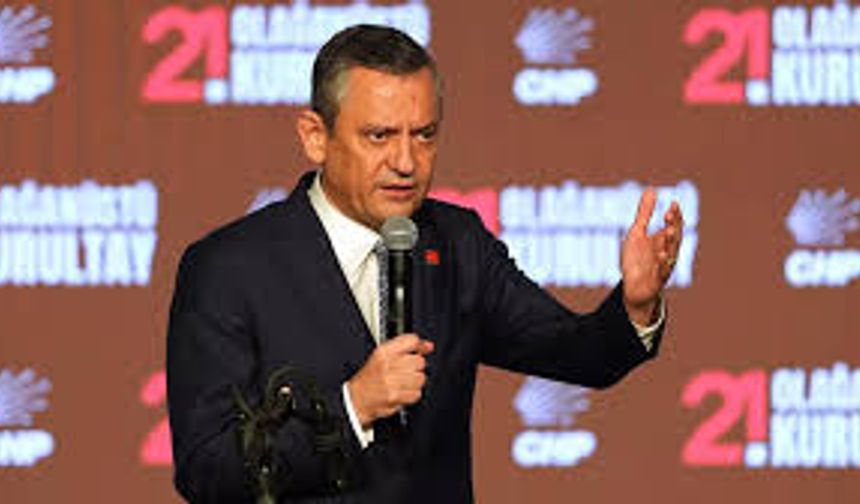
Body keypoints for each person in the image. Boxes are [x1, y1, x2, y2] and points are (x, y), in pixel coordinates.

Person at [166, 24, 684, 503]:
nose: (406, 163)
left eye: (424, 135)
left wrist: (636, 307)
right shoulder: (229, 269)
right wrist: (353, 407)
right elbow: (207, 470)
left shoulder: (458, 244)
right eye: (379, 136)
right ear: (315, 137)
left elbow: (577, 353)